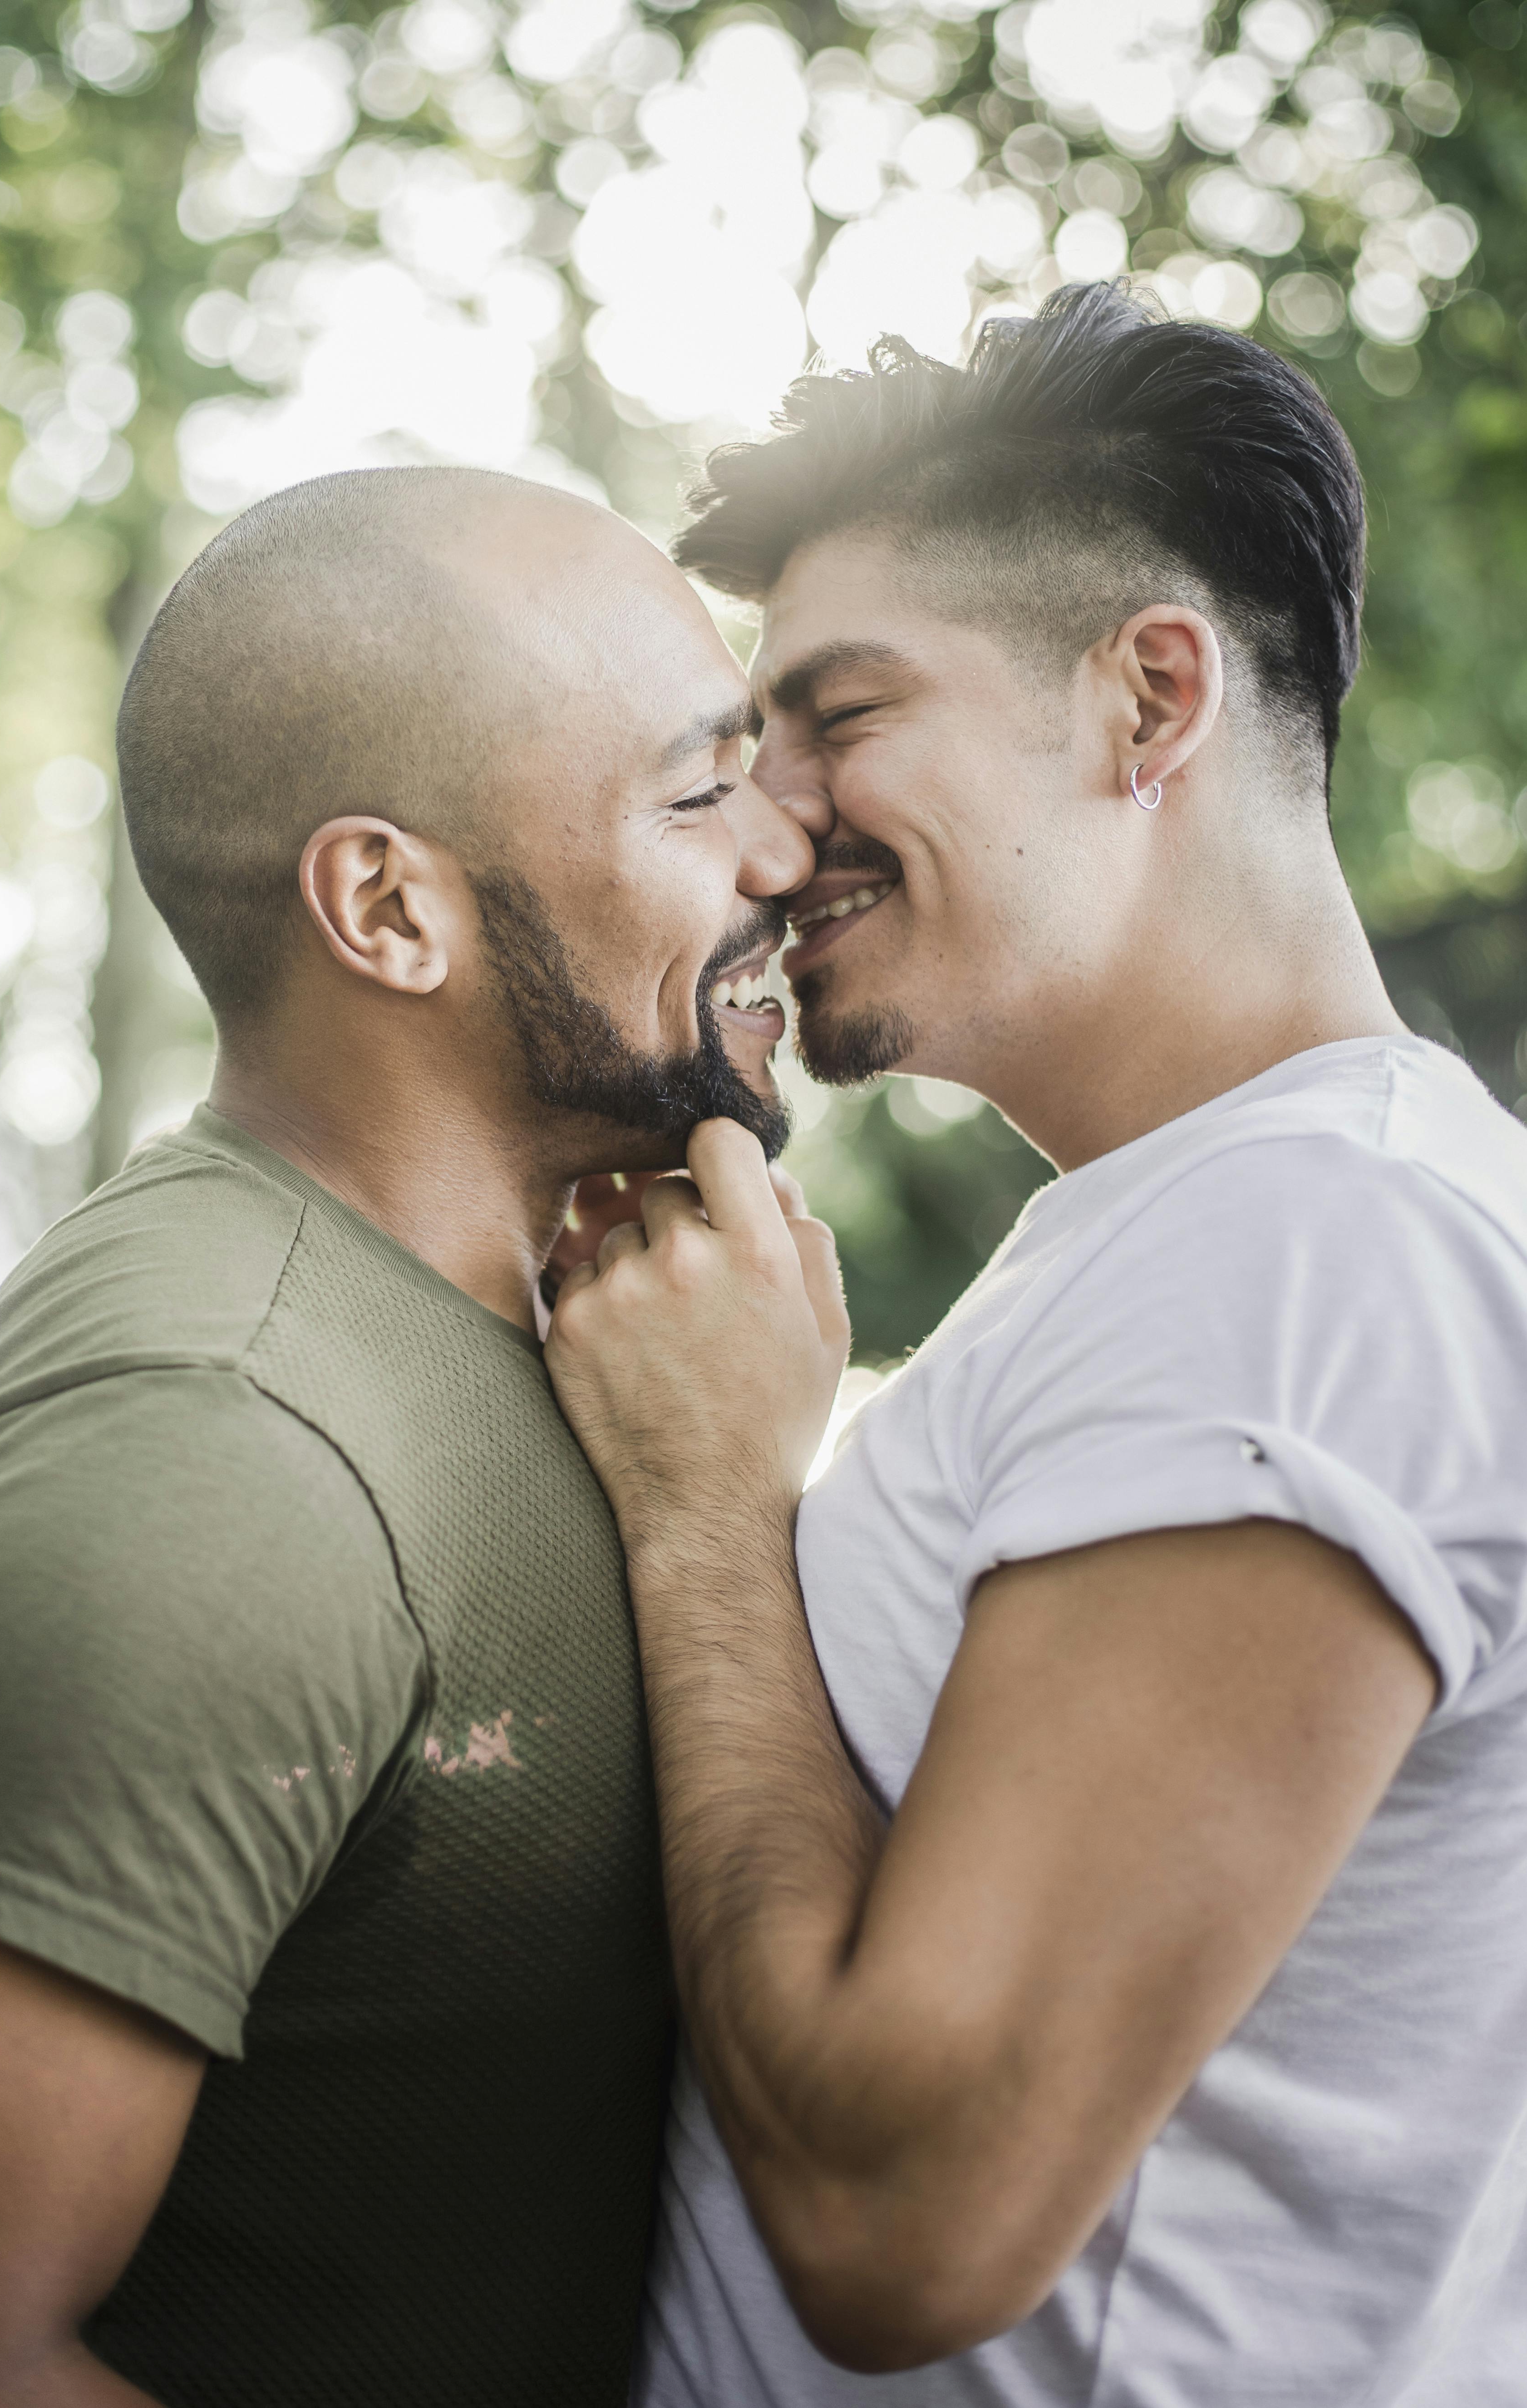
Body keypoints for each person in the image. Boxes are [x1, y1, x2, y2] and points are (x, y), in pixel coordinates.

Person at [542, 283, 1527, 2406]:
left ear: (1148, 696)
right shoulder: (1214, 1227)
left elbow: (913, 2219)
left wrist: (715, 1514)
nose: (773, 825)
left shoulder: (1317, 1247)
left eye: (842, 714)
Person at [0, 465, 813, 2406]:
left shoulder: (577, 1334)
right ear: (389, 906)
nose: (785, 850)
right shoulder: (212, 1457)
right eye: (696, 792)